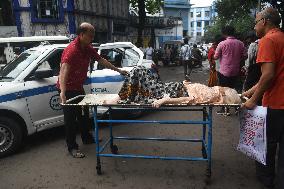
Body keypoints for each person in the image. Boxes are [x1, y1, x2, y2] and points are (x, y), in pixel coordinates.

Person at [57, 22, 128, 158]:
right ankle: (72, 147)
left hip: (78, 87)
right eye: (90, 36)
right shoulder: (72, 50)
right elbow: (63, 71)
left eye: (93, 35)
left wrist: (118, 70)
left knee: (83, 115)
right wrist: (63, 92)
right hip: (67, 89)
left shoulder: (87, 48)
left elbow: (101, 60)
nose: (92, 38)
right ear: (81, 35)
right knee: (70, 120)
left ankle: (87, 138)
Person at [242, 7, 284, 189]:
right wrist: (248, 92)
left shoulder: (267, 40)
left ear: (264, 22)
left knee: (266, 144)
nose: (255, 26)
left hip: (276, 103)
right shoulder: (282, 37)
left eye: (256, 22)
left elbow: (268, 76)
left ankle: (267, 181)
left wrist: (252, 100)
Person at [214, 25, 247, 115]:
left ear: (224, 33)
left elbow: (215, 57)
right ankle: (236, 108)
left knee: (223, 90)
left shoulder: (222, 44)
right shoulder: (240, 43)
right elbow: (245, 56)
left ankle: (225, 110)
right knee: (234, 90)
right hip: (235, 71)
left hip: (224, 71)